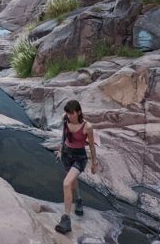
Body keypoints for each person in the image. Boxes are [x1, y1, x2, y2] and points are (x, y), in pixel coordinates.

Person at [54, 99, 97, 234]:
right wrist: (61, 150)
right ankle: (78, 200)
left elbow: (91, 145)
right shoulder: (65, 120)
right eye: (67, 113)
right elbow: (64, 136)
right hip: (67, 154)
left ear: (78, 112)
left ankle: (66, 220)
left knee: (67, 183)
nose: (69, 116)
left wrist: (94, 162)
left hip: (79, 157)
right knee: (72, 181)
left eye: (72, 113)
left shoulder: (87, 126)